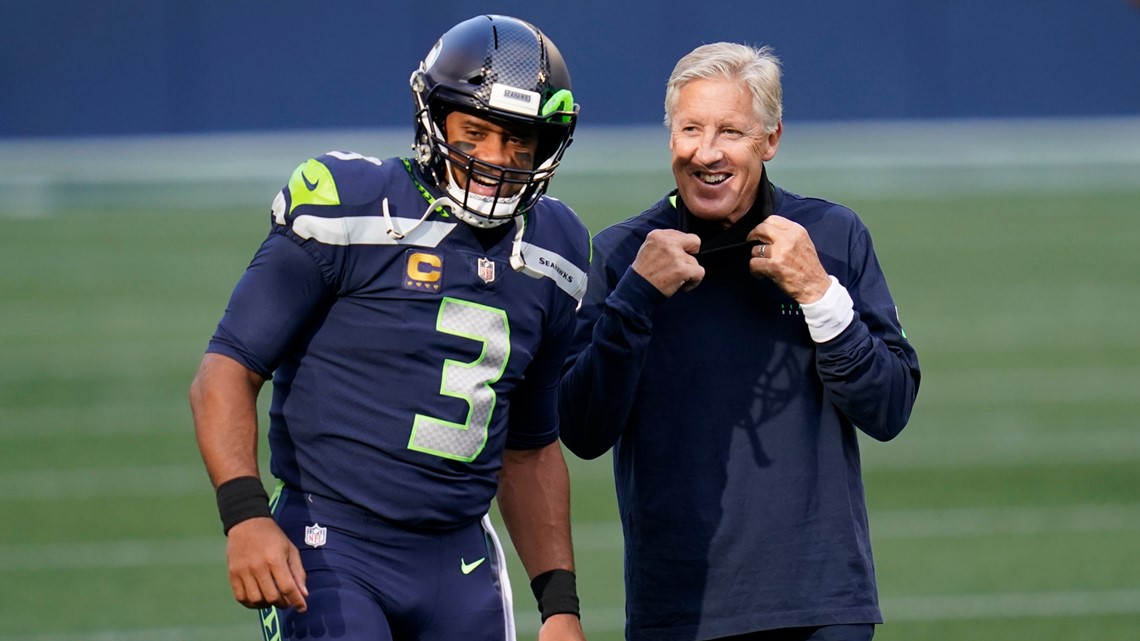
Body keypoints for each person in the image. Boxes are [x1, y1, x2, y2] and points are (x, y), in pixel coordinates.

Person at [189, 15, 591, 641]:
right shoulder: (352, 205)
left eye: (520, 142)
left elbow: (531, 447)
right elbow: (227, 368)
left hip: (458, 557)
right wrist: (243, 515)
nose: (497, 159)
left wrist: (559, 603)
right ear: (433, 121)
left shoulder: (556, 251)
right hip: (331, 543)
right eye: (477, 132)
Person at [558, 42, 921, 641]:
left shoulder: (831, 236)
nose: (707, 152)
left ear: (770, 140)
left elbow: (889, 409)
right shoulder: (624, 253)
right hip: (680, 608)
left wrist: (819, 294)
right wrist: (635, 298)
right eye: (690, 129)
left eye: (730, 131)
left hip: (822, 603)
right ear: (669, 136)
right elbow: (584, 430)